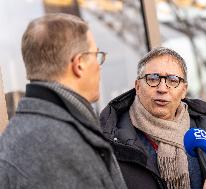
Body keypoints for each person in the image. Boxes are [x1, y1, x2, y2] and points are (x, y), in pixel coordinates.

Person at [0, 13, 127, 189]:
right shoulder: (56, 146)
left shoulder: (22, 131)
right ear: (79, 64)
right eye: (97, 56)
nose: (99, 66)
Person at [100, 47, 206, 189]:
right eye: (153, 78)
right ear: (137, 86)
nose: (162, 88)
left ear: (184, 91)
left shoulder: (205, 131)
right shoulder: (112, 140)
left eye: (173, 80)